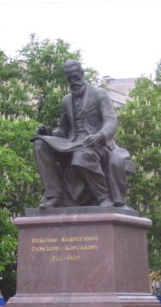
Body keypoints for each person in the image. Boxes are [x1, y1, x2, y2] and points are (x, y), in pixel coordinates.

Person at [32, 59, 131, 208]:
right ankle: (54, 195)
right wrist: (49, 133)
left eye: (76, 77)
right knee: (40, 145)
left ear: (82, 74)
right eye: (69, 78)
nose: (73, 81)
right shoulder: (66, 100)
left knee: (82, 155)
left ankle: (103, 197)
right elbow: (64, 130)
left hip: (98, 144)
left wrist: (100, 136)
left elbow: (111, 122)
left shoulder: (99, 94)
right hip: (72, 143)